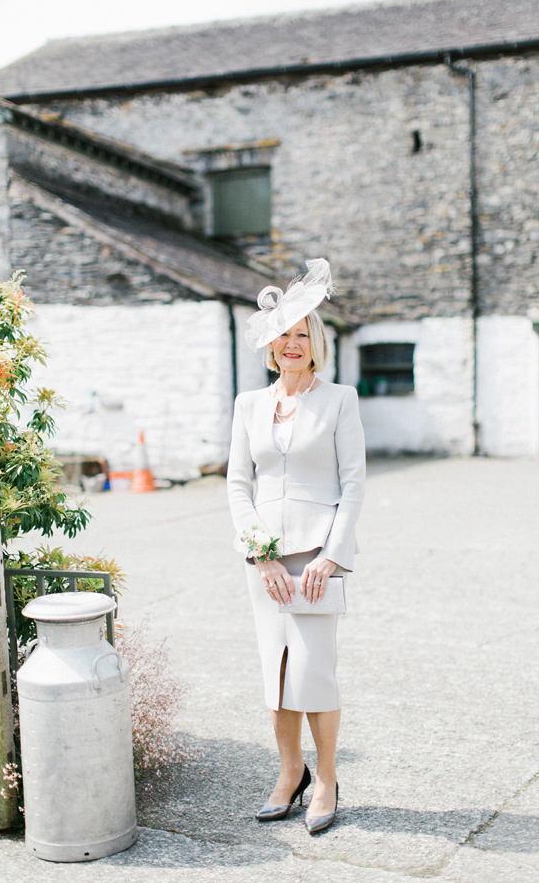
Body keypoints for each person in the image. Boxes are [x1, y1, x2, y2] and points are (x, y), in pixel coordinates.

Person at [226, 259, 365, 835]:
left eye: (302, 334)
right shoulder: (248, 406)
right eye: (283, 333)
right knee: (277, 674)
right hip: (267, 565)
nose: (292, 343)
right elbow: (238, 482)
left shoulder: (340, 400)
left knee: (315, 673)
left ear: (317, 344)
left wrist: (332, 556)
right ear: (270, 344)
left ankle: (327, 778)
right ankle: (290, 773)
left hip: (316, 557)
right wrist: (259, 554)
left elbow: (353, 482)